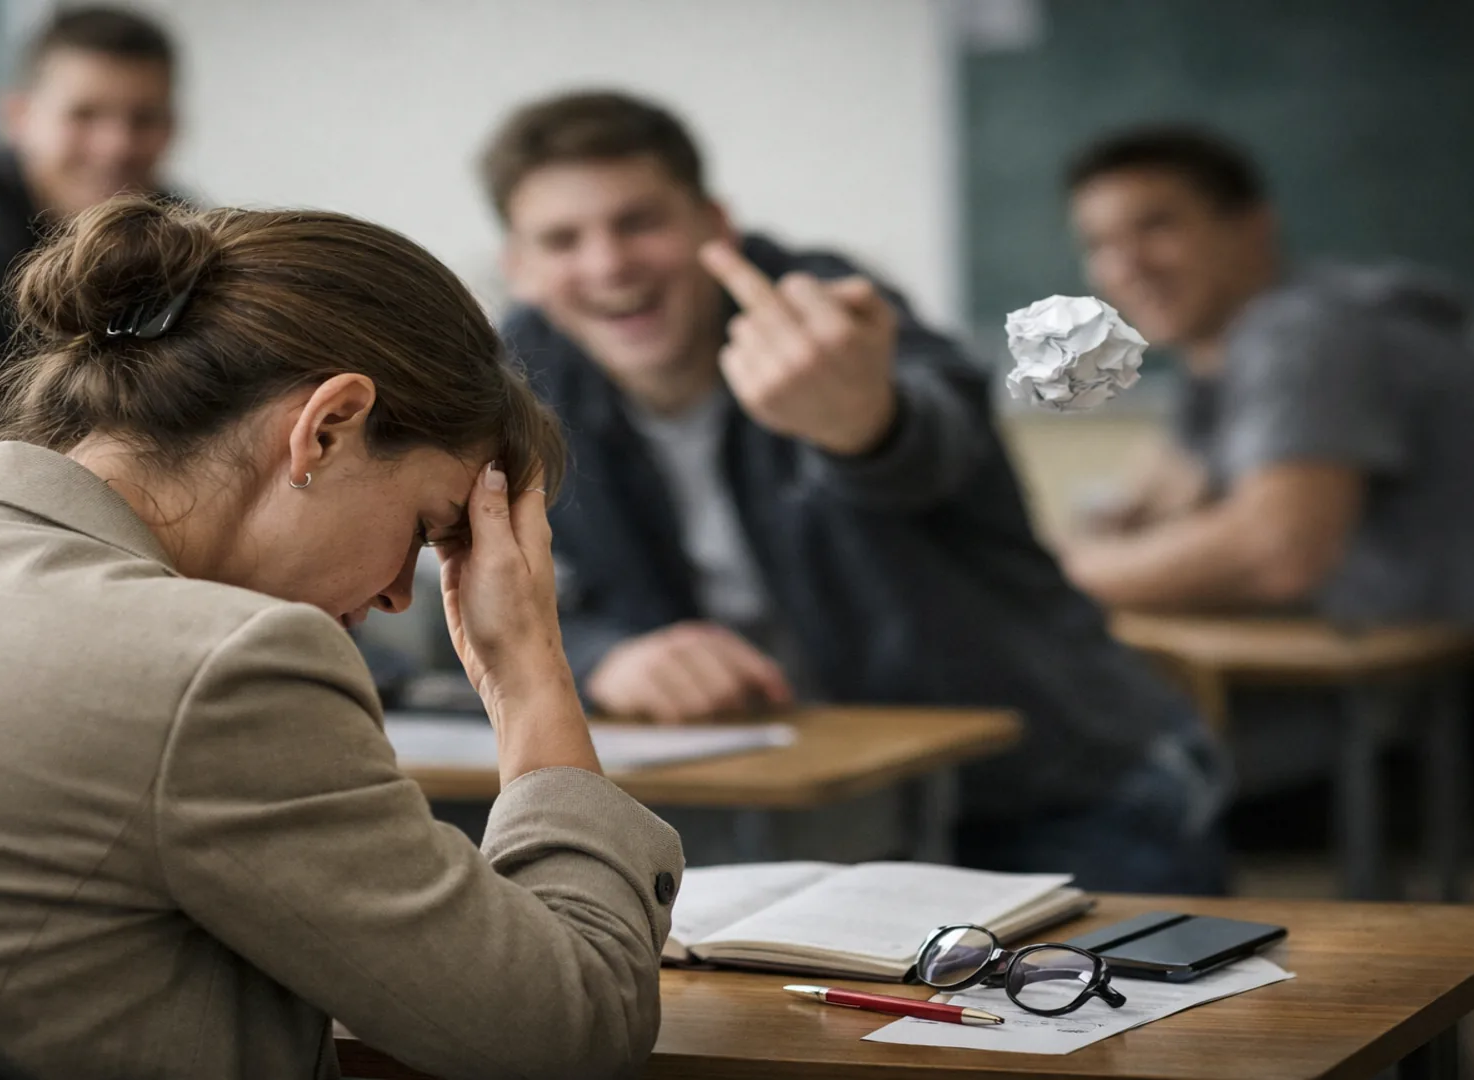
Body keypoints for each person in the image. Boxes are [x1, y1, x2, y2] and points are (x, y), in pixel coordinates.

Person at [0, 196, 684, 1080]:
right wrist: (532, 672)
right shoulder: (222, 663)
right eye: (430, 530)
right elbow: (563, 1031)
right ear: (329, 427)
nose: (405, 594)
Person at [482, 90, 1224, 893]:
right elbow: (498, 589)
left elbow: (935, 431)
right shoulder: (522, 374)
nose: (607, 265)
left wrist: (863, 420)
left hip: (1062, 787)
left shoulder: (824, 306)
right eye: (562, 240)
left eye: (639, 222)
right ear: (519, 268)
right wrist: (609, 658)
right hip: (824, 822)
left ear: (712, 225)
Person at [1057, 125, 1474, 628]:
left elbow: (1276, 554)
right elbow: (1160, 503)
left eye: (1157, 227)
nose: (1126, 266)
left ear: (1252, 226)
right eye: (1100, 244)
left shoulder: (1306, 332)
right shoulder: (1223, 358)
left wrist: (1056, 571)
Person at [0, 5, 182, 477]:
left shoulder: (186, 233)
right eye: (85, 115)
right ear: (19, 116)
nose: (116, 145)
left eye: (143, 118)